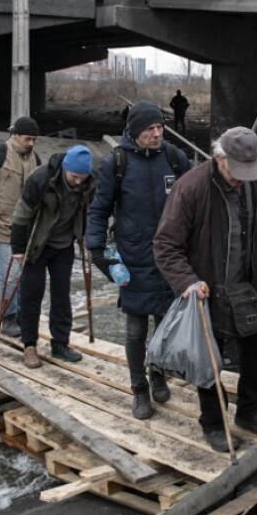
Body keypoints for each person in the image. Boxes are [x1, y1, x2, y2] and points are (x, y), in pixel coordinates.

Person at [155, 127, 257, 452]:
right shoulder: (191, 188)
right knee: (209, 358)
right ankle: (214, 423)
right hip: (207, 287)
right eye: (235, 171)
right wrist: (187, 281)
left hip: (246, 285)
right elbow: (165, 245)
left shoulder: (256, 179)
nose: (241, 179)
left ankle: (250, 412)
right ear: (219, 158)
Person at [87, 100, 191, 419]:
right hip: (131, 261)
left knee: (164, 326)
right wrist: (100, 252)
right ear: (134, 131)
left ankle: (157, 374)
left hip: (170, 259)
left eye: (160, 127)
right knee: (135, 331)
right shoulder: (116, 163)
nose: (157, 134)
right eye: (150, 129)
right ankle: (139, 390)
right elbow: (99, 211)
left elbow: (195, 204)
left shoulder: (175, 158)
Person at [10, 144, 96, 368]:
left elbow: (89, 210)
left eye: (83, 177)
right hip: (36, 245)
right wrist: (18, 249)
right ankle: (29, 345)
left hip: (64, 245)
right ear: (66, 169)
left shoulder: (89, 183)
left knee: (61, 295)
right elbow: (21, 215)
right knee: (31, 296)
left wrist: (86, 233)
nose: (78, 182)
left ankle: (60, 344)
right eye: (75, 177)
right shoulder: (41, 179)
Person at [0, 116, 42, 337]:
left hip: (26, 230)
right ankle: (8, 316)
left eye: (34, 139)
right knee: (10, 274)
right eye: (27, 138)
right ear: (15, 135)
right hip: (2, 226)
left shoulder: (35, 159)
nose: (30, 143)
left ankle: (22, 314)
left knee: (23, 275)